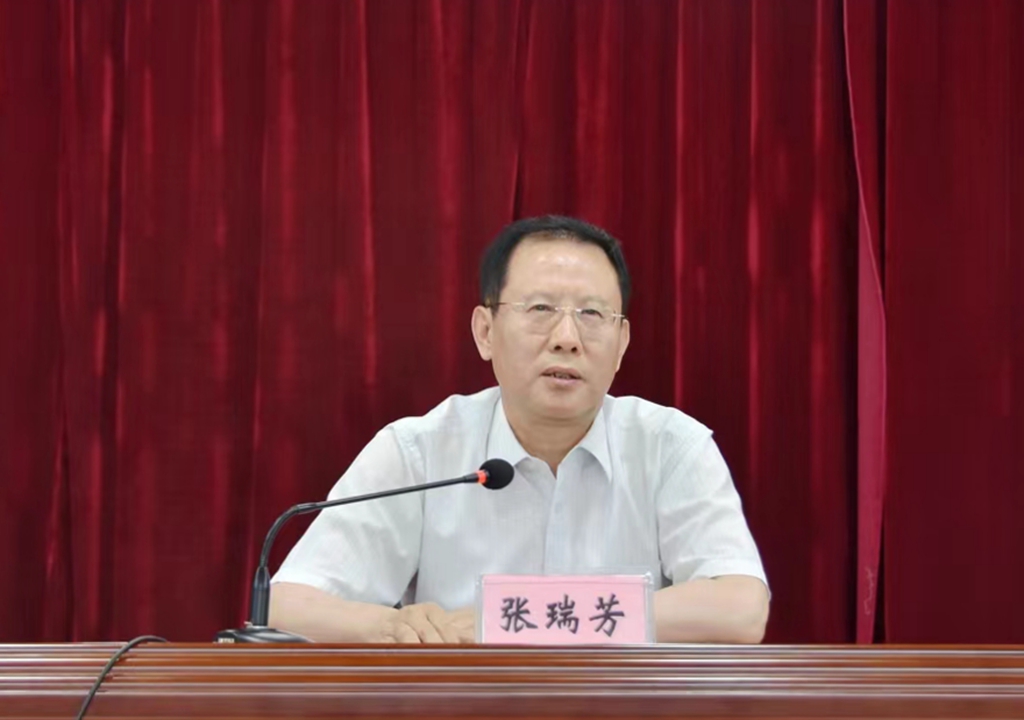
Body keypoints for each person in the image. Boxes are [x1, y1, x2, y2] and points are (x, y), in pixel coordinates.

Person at [269, 215, 768, 644]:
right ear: (485, 332)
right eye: (540, 310)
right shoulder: (419, 451)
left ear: (621, 343)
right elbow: (287, 606)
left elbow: (740, 607)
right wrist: (394, 626)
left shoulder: (671, 447)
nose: (567, 339)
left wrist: (510, 620)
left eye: (592, 314)